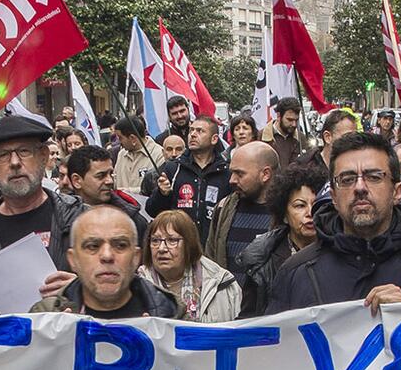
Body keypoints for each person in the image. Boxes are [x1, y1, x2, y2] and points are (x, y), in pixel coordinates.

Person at [266, 131, 401, 314]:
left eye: (374, 177)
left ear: (397, 192)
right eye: (347, 179)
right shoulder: (296, 274)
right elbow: (273, 350)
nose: (360, 187)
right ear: (334, 197)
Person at [0, 115, 88, 315]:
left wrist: (84, 289)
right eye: (3, 155)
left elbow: (124, 292)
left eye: (24, 152)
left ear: (44, 156)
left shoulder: (82, 220)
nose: (14, 163)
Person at [30, 206, 180, 323]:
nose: (107, 256)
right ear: (73, 260)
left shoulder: (172, 315)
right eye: (93, 246)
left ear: (136, 258)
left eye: (120, 245)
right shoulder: (43, 319)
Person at [234, 160, 326, 318]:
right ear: (284, 214)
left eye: (316, 204)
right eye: (300, 205)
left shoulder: (339, 254)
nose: (310, 213)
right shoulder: (262, 262)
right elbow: (249, 319)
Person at [141, 209, 241, 322]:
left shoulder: (222, 283)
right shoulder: (137, 287)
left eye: (172, 240)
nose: (161, 248)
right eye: (155, 240)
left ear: (189, 244)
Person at [146, 114, 233, 243]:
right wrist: (162, 194)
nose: (192, 134)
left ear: (214, 139)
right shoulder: (174, 168)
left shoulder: (226, 171)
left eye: (200, 131)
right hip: (179, 247)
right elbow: (152, 210)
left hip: (212, 249)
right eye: (191, 130)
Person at [207, 140, 279, 270]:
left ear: (265, 174)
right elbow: (210, 260)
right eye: (232, 173)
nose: (232, 180)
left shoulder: (287, 213)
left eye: (240, 174)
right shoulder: (224, 209)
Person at [64, 144, 147, 243]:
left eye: (110, 174)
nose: (109, 181)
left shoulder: (134, 221)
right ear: (76, 181)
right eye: (101, 176)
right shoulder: (59, 220)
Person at [111, 115, 166, 196]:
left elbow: (158, 187)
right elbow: (115, 181)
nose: (119, 141)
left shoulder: (159, 154)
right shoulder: (121, 154)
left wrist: (127, 192)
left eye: (120, 138)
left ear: (132, 138)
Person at [261, 96, 304, 165]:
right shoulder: (261, 137)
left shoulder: (301, 138)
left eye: (296, 120)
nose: (294, 124)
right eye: (289, 120)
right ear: (279, 116)